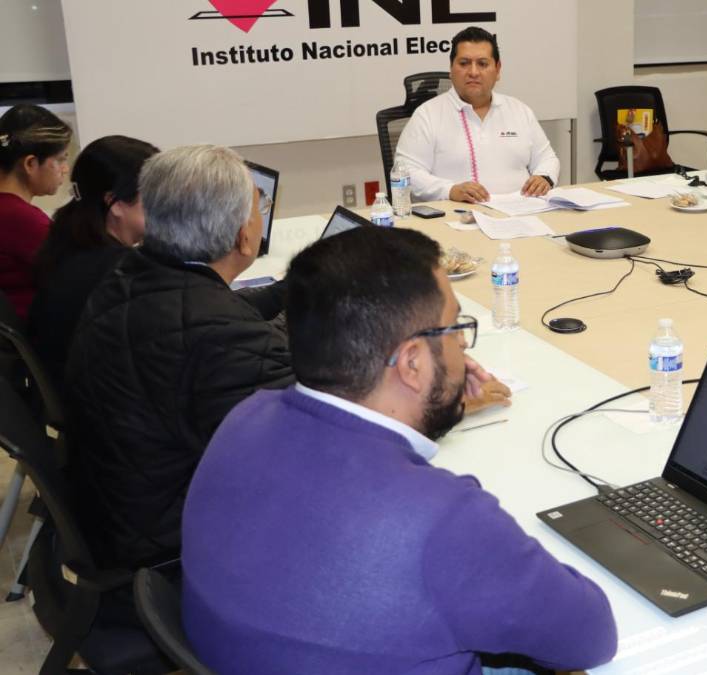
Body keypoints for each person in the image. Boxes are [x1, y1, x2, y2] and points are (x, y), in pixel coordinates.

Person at [182, 226, 616, 675]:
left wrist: (435, 396)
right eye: (454, 329)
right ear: (411, 362)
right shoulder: (443, 517)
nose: (462, 345)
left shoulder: (247, 416)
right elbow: (591, 637)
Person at [66, 144, 294, 573]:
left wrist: (293, 290)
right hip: (169, 543)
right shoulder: (225, 337)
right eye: (258, 208)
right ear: (243, 236)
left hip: (115, 505)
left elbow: (197, 320)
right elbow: (306, 456)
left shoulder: (129, 275)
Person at [29, 135, 159, 389]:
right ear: (115, 203)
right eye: (154, 195)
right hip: (103, 400)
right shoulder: (120, 274)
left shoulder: (69, 247)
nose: (166, 204)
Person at [396, 26, 560, 204]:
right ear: (451, 69)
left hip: (521, 211)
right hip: (457, 215)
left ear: (497, 69)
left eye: (482, 64)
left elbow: (547, 158)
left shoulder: (519, 110)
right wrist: (450, 190)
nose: (473, 72)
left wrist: (544, 177)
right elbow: (405, 171)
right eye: (464, 63)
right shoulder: (427, 115)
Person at [0, 104, 72, 319]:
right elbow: (75, 277)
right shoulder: (21, 220)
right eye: (60, 159)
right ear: (30, 164)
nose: (65, 169)